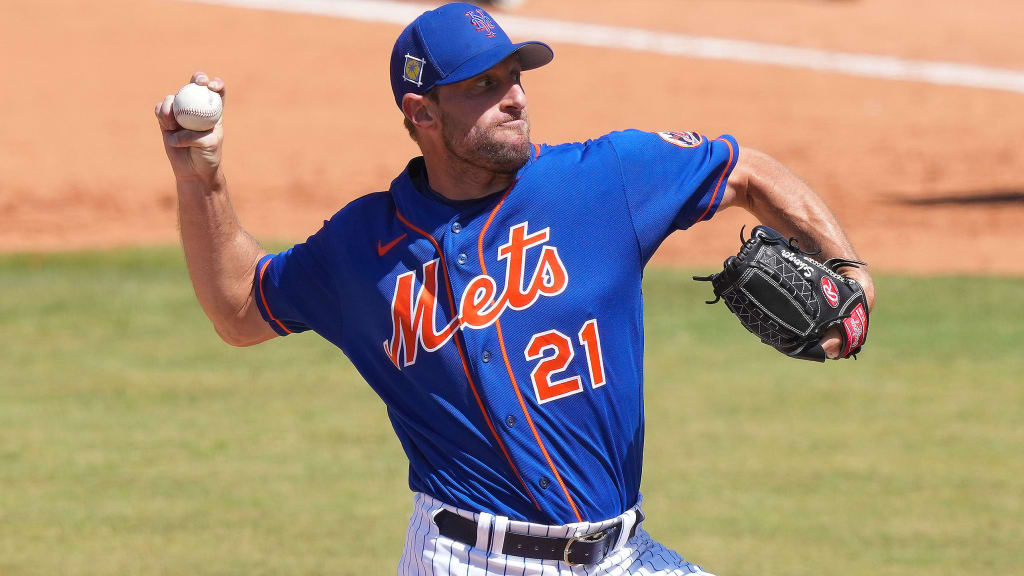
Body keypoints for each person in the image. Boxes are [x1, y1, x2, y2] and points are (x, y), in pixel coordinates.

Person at [154, 3, 874, 574]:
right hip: (464, 560)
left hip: (621, 556)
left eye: (515, 77)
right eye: (484, 86)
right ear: (422, 113)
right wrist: (201, 177)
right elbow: (240, 308)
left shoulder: (603, 182)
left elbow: (743, 170)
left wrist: (848, 270)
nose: (515, 99)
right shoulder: (358, 250)